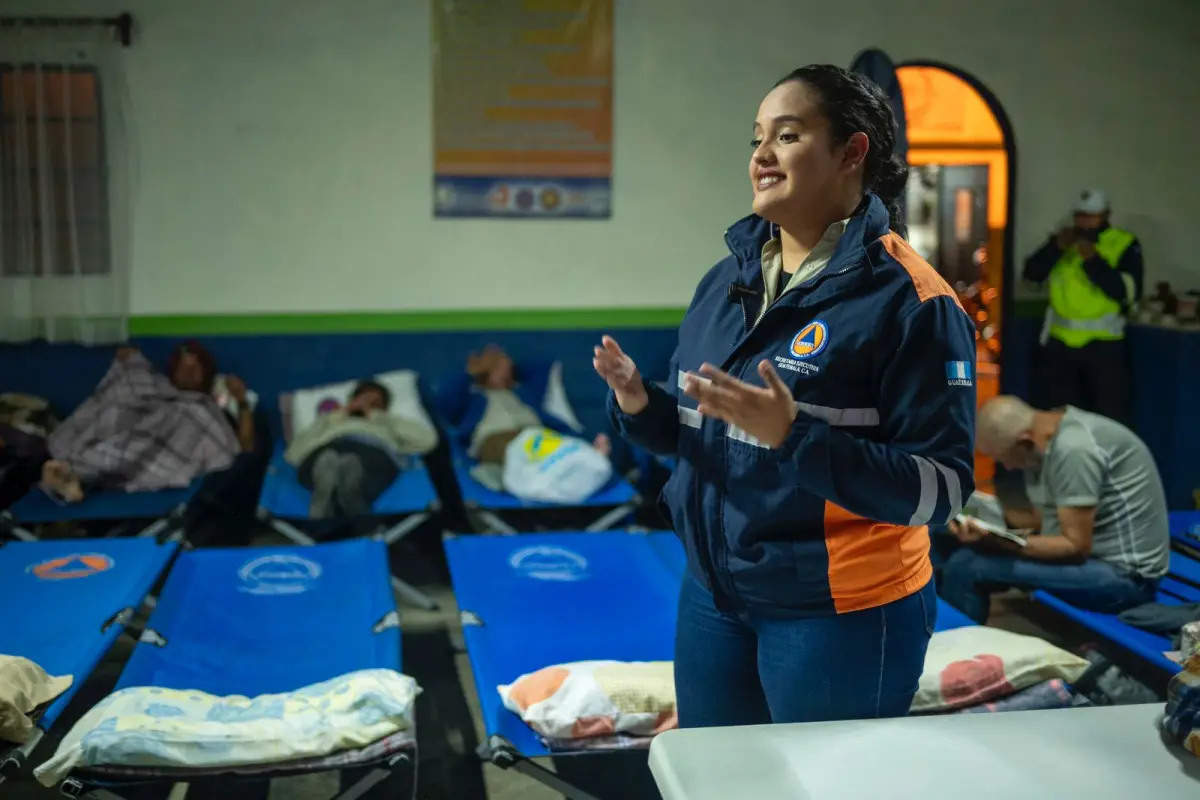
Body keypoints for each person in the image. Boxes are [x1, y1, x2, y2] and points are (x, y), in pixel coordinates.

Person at [593, 64, 977, 728]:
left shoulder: (911, 302)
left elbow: (941, 490)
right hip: (715, 593)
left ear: (851, 153)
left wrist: (792, 437)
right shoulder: (725, 281)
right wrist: (638, 405)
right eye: (755, 139)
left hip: (839, 611)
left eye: (788, 136)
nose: (761, 157)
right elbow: (697, 434)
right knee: (718, 781)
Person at [941, 395, 1168, 623]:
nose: (1008, 467)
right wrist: (982, 519)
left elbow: (1074, 547)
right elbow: (1044, 525)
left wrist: (998, 542)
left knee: (967, 567)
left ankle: (958, 653)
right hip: (1091, 560)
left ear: (1025, 441)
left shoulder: (1074, 450)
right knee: (943, 538)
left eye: (1005, 459)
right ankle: (932, 636)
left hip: (1126, 578)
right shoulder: (1039, 449)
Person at [39, 341, 252, 502]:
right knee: (120, 419)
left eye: (195, 368)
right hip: (138, 435)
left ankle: (74, 472)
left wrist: (242, 400)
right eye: (183, 367)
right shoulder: (157, 388)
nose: (189, 372)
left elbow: (245, 448)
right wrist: (132, 361)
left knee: (164, 430)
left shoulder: (209, 407)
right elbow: (131, 380)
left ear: (206, 374)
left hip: (172, 447)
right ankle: (74, 471)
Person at [1023, 189, 1143, 425]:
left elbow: (1126, 293)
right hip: (1060, 347)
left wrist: (1093, 261)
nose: (1084, 221)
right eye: (1080, 215)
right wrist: (1055, 248)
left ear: (1105, 214)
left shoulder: (1124, 244)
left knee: (1109, 418)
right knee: (1056, 418)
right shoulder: (1061, 242)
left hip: (1103, 347)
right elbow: (1031, 276)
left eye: (1091, 216)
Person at [284, 379, 438, 518]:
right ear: (351, 401)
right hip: (329, 448)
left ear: (384, 407)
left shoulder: (387, 423)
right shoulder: (331, 422)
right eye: (362, 399)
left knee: (345, 462)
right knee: (328, 458)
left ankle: (336, 496)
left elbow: (429, 440)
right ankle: (342, 492)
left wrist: (380, 417)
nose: (367, 405)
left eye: (375, 402)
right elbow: (292, 455)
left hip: (372, 452)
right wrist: (329, 419)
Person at [442, 344, 610, 463]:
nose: (503, 373)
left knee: (558, 447)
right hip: (495, 438)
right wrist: (471, 372)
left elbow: (543, 365)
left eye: (506, 368)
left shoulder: (522, 391)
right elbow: (446, 403)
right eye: (497, 368)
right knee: (521, 453)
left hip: (533, 434)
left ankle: (585, 458)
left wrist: (583, 441)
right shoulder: (473, 394)